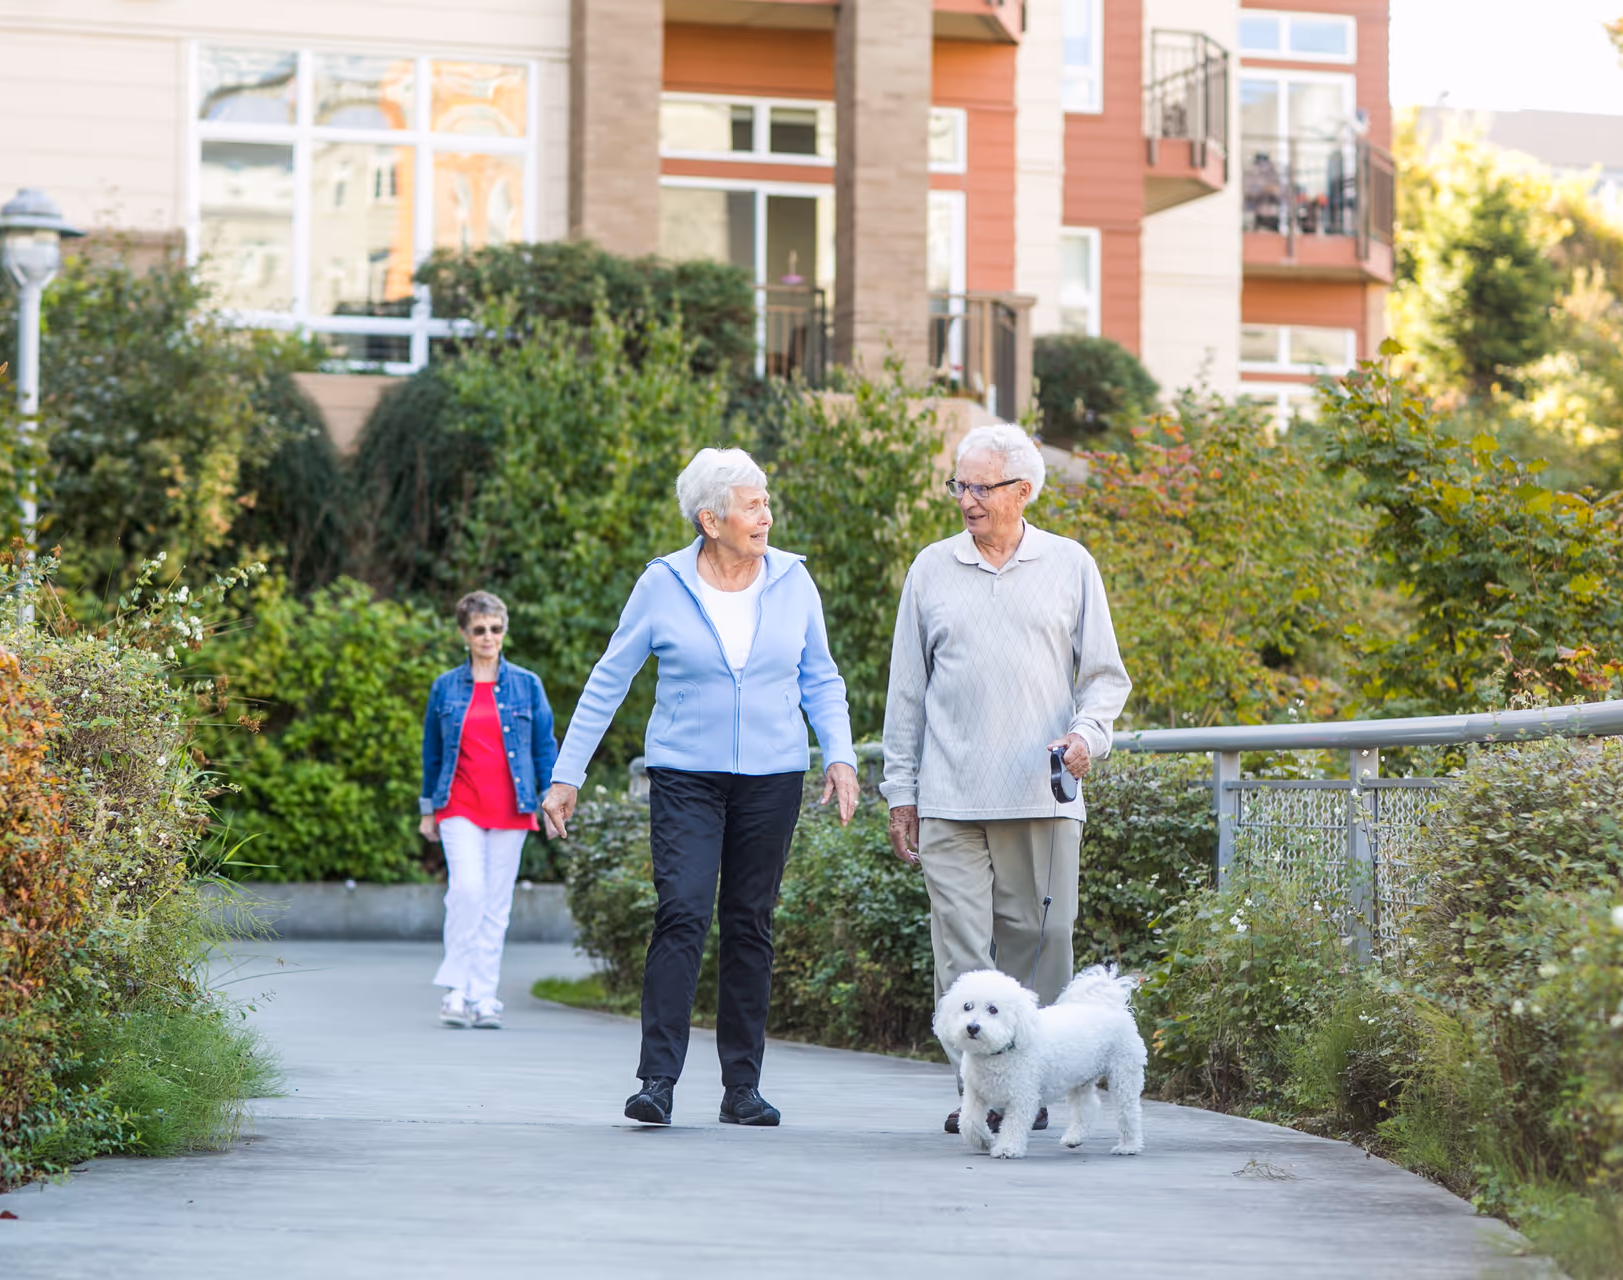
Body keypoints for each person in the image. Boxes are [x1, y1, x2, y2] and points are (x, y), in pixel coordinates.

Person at [540, 446, 861, 1128]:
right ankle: (657, 1080)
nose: (766, 516)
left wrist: (840, 755)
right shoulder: (662, 583)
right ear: (710, 520)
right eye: (752, 506)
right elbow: (610, 677)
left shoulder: (793, 582)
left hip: (772, 776)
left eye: (766, 502)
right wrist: (568, 773)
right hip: (686, 773)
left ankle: (742, 1087)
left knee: (750, 922)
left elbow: (821, 678)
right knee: (682, 911)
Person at [880, 422, 1131, 1136]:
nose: (966, 499)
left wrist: (1087, 738)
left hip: (1042, 795)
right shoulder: (931, 569)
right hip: (951, 794)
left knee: (1045, 935)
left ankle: (1036, 1080)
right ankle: (979, 1095)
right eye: (959, 484)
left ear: (1023, 491)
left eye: (981, 487)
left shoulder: (1071, 563)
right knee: (961, 955)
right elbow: (907, 691)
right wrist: (902, 790)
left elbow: (1105, 677)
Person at [419, 590, 558, 1031]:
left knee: (497, 903)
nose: (488, 637)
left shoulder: (527, 685)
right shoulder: (445, 686)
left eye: (495, 629)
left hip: (511, 808)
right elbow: (432, 753)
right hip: (458, 803)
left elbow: (542, 748)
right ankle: (456, 990)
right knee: (468, 891)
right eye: (479, 630)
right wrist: (427, 809)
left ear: (504, 630)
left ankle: (484, 996)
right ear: (464, 633)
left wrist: (552, 798)